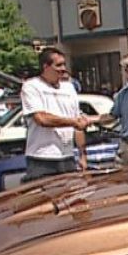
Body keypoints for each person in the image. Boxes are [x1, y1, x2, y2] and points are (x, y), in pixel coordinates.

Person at [20, 47, 89, 182]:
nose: (63, 69)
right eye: (58, 65)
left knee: (71, 199)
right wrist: (73, 122)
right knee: (44, 200)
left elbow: (78, 124)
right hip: (41, 158)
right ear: (45, 66)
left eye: (64, 64)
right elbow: (41, 119)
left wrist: (82, 155)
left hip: (67, 157)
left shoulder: (69, 88)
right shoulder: (31, 86)